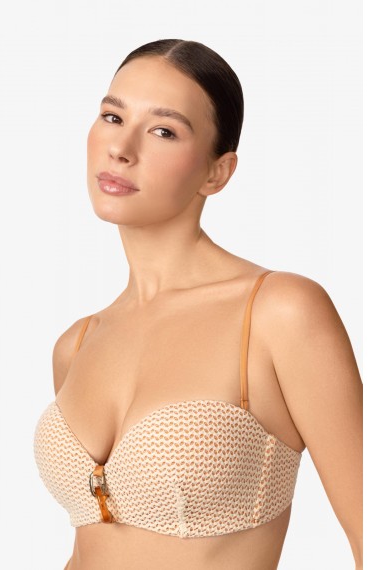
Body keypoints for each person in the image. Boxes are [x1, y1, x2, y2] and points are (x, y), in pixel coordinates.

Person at [33, 39, 363, 570]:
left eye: (163, 131)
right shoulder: (77, 344)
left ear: (218, 172)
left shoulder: (278, 312)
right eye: (113, 117)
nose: (121, 148)